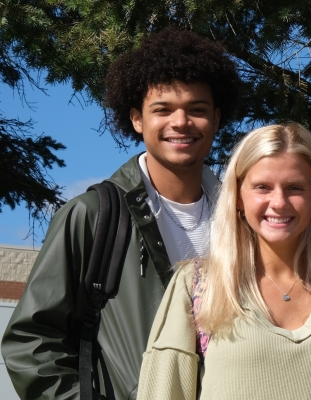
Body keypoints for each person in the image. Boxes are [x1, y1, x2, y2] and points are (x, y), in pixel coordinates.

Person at [1, 27, 240, 399]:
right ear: (137, 119)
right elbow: (31, 340)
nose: (181, 122)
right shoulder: (93, 216)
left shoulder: (243, 220)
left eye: (196, 109)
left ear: (216, 118)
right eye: (163, 109)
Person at [137, 123, 311, 400]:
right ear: (238, 195)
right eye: (262, 187)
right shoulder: (198, 288)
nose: (279, 202)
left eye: (294, 187)